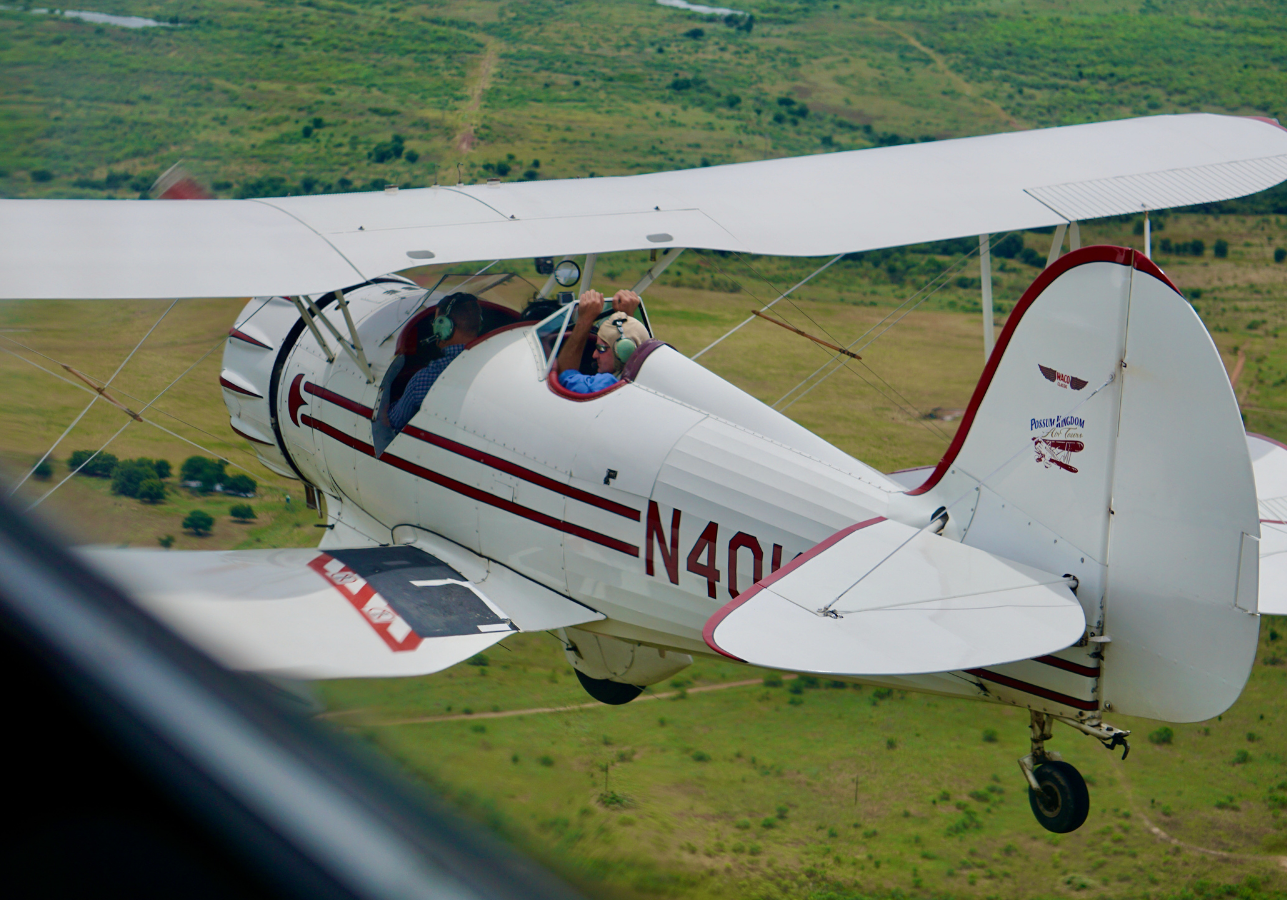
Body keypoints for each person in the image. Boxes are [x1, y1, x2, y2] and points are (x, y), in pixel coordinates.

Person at [387, 292, 481, 432]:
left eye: (437, 322)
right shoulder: (497, 362)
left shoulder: (426, 378)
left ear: (444, 326)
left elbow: (394, 421)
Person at [555, 289, 651, 394]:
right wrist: (627, 318)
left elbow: (565, 376)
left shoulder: (605, 384)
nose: (594, 355)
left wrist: (585, 319)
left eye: (601, 349)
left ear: (624, 351)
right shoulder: (648, 376)